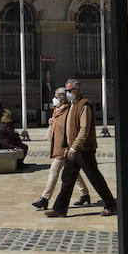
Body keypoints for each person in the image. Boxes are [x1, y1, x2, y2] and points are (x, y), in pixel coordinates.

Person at [47, 78, 116, 218]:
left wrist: (74, 148)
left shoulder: (84, 105)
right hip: (72, 149)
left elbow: (84, 130)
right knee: (67, 179)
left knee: (94, 177)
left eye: (69, 90)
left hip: (84, 150)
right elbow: (68, 129)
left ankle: (111, 204)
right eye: (66, 91)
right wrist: (67, 146)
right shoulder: (72, 105)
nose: (67, 93)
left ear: (77, 90)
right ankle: (60, 208)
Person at [32, 87, 93, 210]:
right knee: (73, 172)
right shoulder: (57, 110)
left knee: (54, 171)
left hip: (64, 147)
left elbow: (68, 131)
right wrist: (52, 122)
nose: (54, 99)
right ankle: (84, 193)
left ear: (62, 98)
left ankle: (44, 198)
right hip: (57, 146)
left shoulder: (68, 110)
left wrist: (68, 146)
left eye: (56, 96)